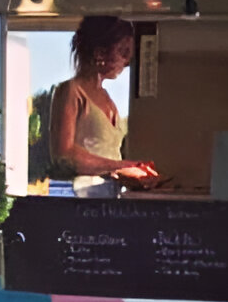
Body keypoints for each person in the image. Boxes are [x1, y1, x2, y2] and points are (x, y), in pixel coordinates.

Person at [49, 16, 158, 182]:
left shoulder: (107, 98)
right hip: (79, 196)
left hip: (107, 194)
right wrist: (120, 166)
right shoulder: (71, 91)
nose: (127, 61)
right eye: (123, 52)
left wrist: (129, 169)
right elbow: (64, 154)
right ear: (100, 53)